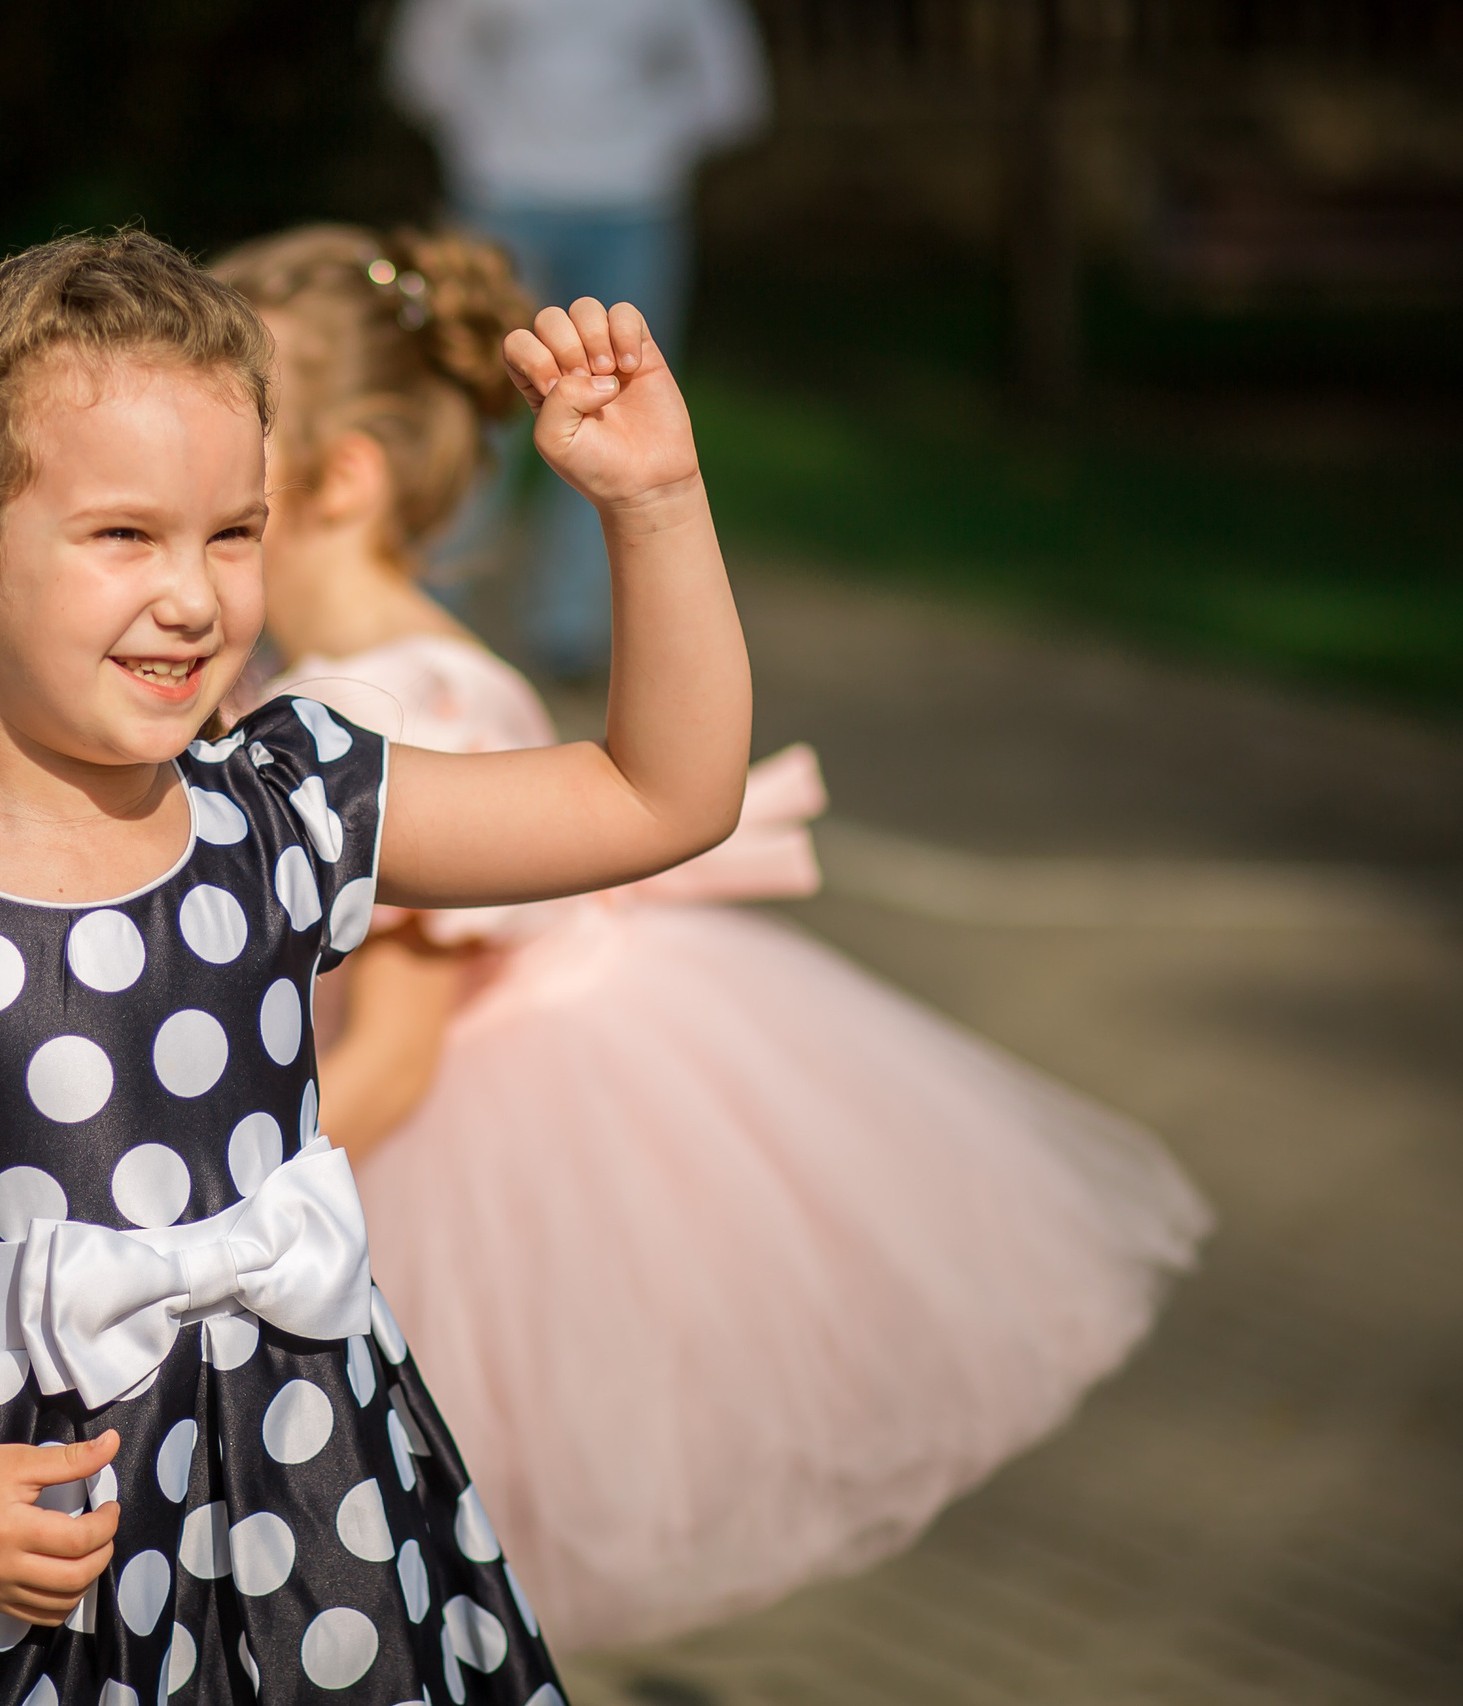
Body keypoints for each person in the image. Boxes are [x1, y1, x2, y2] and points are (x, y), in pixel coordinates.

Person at [0, 229, 752, 1705]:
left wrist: (654, 502)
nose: (196, 595)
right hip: (4, 1553)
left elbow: (662, 795)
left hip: (315, 1514)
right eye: (124, 537)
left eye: (233, 532)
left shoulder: (291, 808)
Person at [214, 222, 1215, 1649]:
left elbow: (397, 1055)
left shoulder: (377, 709)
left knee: (403, 1529)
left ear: (342, 474)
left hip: (463, 1141)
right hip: (448, 1108)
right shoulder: (322, 674)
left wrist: (205, 1213)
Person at [389, 0, 768, 679]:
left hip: (632, 204)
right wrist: (491, 144)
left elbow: (729, 89)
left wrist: (646, 149)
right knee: (475, 398)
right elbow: (424, 64)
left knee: (617, 409)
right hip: (503, 198)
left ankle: (577, 628)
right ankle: (430, 608)